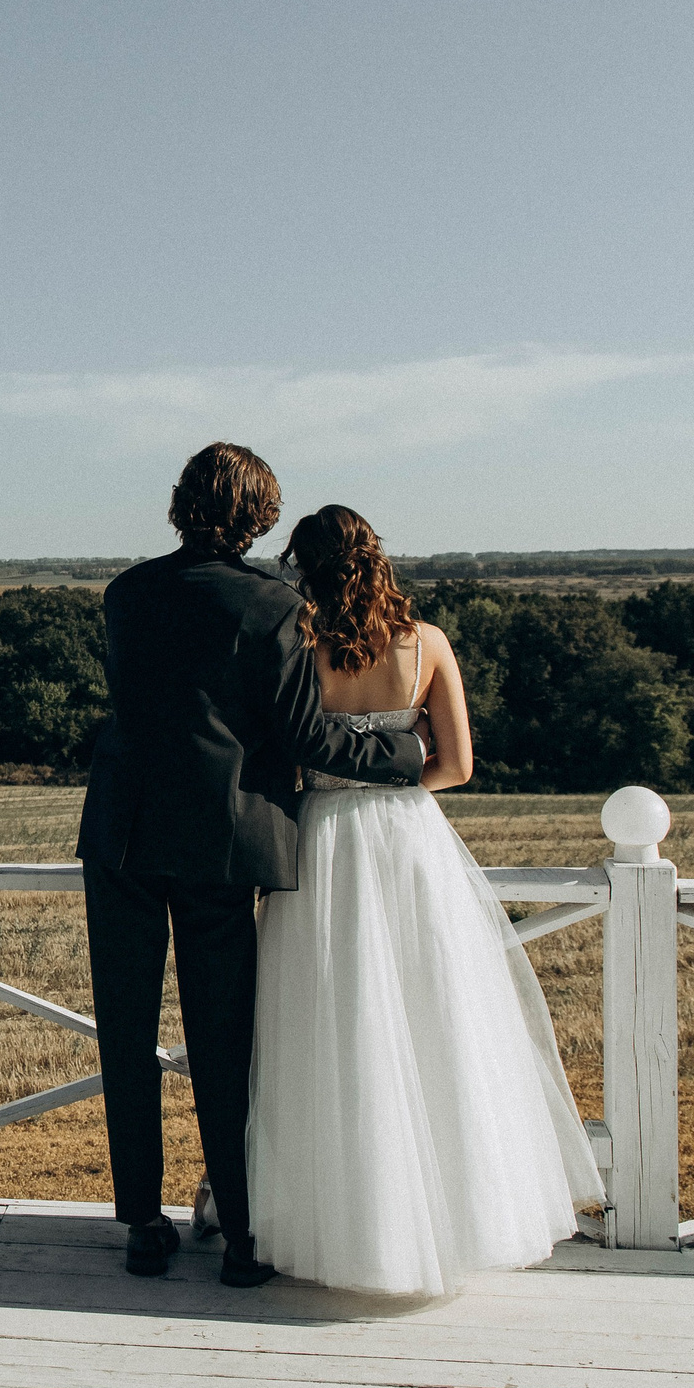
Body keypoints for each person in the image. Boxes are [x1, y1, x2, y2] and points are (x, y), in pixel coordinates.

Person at [75, 446, 428, 1285]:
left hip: (121, 831)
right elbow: (307, 734)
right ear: (260, 518)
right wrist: (405, 753)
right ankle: (239, 1235)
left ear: (179, 504)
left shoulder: (126, 594)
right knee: (223, 1039)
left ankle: (141, 1224)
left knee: (125, 1032)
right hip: (220, 840)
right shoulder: (274, 606)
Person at [243, 505, 605, 1298]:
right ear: (376, 558)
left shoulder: (297, 644)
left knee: (330, 1023)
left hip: (325, 837)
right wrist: (396, 776)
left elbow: (287, 746)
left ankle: (342, 1221)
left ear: (303, 565)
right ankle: (452, 1217)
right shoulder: (427, 643)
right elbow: (459, 765)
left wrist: (335, 783)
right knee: (434, 1013)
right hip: (409, 838)